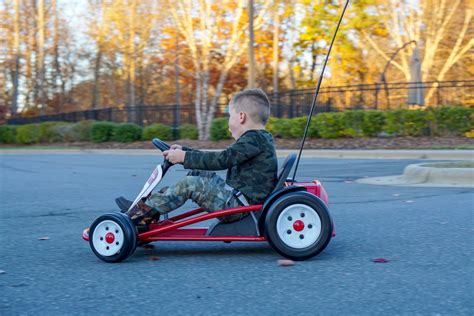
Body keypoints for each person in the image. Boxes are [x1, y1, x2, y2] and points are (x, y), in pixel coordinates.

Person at [122, 88, 278, 228]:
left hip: (239, 207)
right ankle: (148, 210)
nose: (228, 121)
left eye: (230, 116)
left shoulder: (253, 139)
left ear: (241, 117)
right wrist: (185, 151)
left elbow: (222, 159)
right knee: (197, 174)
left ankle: (139, 215)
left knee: (191, 184)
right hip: (240, 198)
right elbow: (221, 157)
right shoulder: (260, 139)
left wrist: (185, 157)